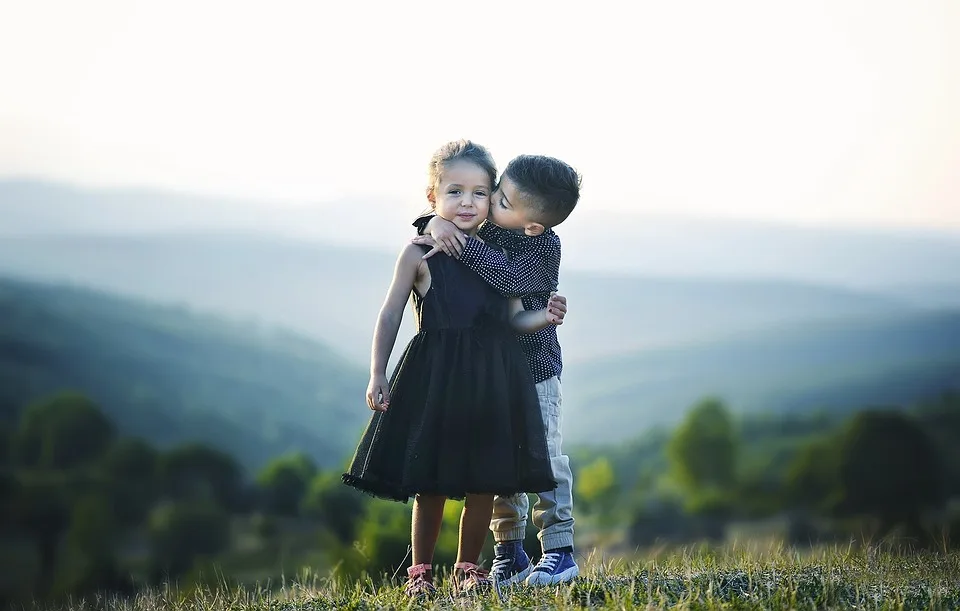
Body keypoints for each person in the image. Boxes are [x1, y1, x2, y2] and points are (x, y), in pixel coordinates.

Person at [341, 139, 567, 598]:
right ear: (433, 197)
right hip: (437, 382)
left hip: (493, 384)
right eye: (455, 192)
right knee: (431, 480)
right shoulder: (420, 251)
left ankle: (477, 568)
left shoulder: (500, 252)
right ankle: (421, 573)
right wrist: (377, 372)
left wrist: (543, 316)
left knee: (488, 479)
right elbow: (390, 314)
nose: (468, 202)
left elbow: (511, 316)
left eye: (481, 193)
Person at [411, 153, 582, 586]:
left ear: (532, 224)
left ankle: (559, 550)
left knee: (543, 456)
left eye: (500, 200)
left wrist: (457, 238)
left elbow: (506, 281)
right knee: (498, 462)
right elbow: (450, 214)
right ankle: (510, 551)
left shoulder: (543, 246)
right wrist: (432, 223)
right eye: (496, 192)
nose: (488, 205)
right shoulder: (490, 225)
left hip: (535, 369)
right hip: (490, 372)